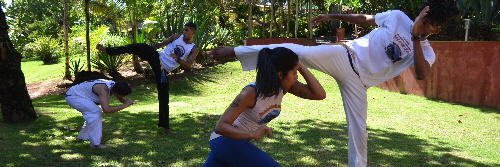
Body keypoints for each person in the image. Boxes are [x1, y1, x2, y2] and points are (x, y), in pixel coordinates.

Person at [209, 0, 459, 166]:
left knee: (359, 133)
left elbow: (422, 75)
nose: (418, 23)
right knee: (295, 51)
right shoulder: (396, 17)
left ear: (435, 30)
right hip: (345, 56)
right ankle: (236, 51)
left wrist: (415, 37)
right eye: (421, 17)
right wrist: (332, 15)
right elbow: (366, 19)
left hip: (359, 84)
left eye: (427, 24)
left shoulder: (426, 52)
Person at [203, 47, 326, 166]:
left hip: (234, 142)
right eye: (294, 72)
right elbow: (221, 126)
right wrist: (252, 134)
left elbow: (319, 94)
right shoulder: (251, 93)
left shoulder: (285, 87)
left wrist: (299, 64)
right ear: (280, 74)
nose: (296, 76)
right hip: (225, 141)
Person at [96, 22, 199, 134]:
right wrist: (147, 51)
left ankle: (166, 127)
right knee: (143, 47)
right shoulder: (176, 37)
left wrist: (178, 59)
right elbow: (159, 45)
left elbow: (189, 64)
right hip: (157, 58)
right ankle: (108, 50)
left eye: (187, 30)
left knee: (164, 97)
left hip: (163, 71)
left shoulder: (193, 48)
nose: (184, 32)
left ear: (193, 32)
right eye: (184, 29)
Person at [65, 79, 134, 149]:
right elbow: (106, 110)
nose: (123, 97)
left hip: (81, 95)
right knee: (95, 112)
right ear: (116, 93)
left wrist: (125, 101)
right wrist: (125, 105)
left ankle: (82, 137)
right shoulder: (103, 90)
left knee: (94, 114)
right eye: (123, 95)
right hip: (74, 96)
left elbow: (120, 98)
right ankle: (95, 144)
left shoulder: (115, 86)